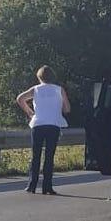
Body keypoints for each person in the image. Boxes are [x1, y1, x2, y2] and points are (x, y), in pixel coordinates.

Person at [17, 66, 70, 194]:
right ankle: (47, 187)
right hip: (54, 124)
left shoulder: (35, 90)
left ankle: (32, 185)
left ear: (39, 77)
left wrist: (30, 112)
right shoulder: (59, 90)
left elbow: (20, 98)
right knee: (49, 156)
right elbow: (67, 109)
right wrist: (59, 108)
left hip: (38, 124)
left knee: (36, 155)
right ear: (53, 77)